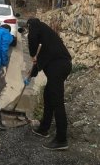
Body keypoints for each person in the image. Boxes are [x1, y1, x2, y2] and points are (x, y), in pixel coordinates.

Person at [25, 18, 72, 150]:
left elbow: (32, 38)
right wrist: (30, 76)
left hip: (59, 67)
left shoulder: (35, 26)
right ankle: (44, 128)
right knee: (48, 95)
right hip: (59, 66)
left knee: (57, 102)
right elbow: (39, 61)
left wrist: (32, 53)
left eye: (28, 28)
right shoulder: (47, 40)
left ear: (30, 25)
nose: (29, 31)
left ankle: (61, 140)